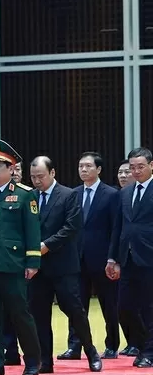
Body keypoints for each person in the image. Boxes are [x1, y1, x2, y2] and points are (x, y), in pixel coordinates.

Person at [27, 156, 101, 373]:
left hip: (63, 265)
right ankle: (45, 360)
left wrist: (46, 245)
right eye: (33, 177)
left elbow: (71, 228)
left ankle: (90, 351)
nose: (37, 181)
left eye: (40, 176)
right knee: (39, 314)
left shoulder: (68, 195)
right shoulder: (29, 196)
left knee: (74, 311)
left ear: (52, 173)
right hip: (37, 266)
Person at [0, 140, 41, 375]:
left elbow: (32, 231)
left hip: (13, 265)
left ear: (12, 168)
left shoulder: (24, 196)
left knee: (19, 314)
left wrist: (33, 262)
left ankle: (33, 360)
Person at [65, 152, 120, 360]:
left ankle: (112, 345)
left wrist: (113, 258)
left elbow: (116, 228)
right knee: (76, 305)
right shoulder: (73, 194)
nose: (84, 170)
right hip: (77, 258)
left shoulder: (111, 194)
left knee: (109, 304)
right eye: (80, 166)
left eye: (88, 166)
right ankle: (74, 346)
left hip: (103, 258)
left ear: (98, 169)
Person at [107, 147, 153, 368]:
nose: (135, 171)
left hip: (149, 257)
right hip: (127, 258)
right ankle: (144, 345)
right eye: (132, 167)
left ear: (151, 166)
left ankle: (149, 351)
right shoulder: (125, 192)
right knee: (124, 306)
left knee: (149, 307)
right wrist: (112, 258)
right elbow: (118, 227)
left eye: (140, 167)